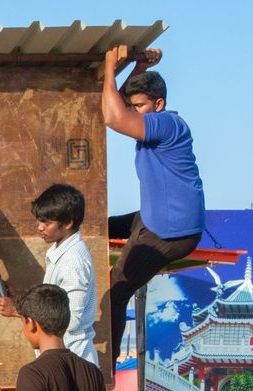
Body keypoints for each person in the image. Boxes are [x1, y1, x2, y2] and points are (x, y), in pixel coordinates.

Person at [102, 46, 205, 361]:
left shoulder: (166, 124)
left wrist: (110, 66)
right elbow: (117, 104)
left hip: (170, 229)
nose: (135, 111)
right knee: (96, 226)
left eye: (140, 106)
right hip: (153, 217)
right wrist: (136, 67)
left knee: (116, 291)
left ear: (158, 104)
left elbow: (113, 115)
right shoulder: (153, 122)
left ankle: (106, 364)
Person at [0, 185, 97, 365]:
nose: (40, 227)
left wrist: (19, 311)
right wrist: (20, 303)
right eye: (39, 221)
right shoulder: (61, 252)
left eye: (46, 223)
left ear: (67, 223)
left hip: (71, 362)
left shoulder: (73, 261)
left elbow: (70, 320)